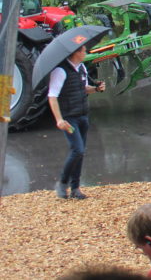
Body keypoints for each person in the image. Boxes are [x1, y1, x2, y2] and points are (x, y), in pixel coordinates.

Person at [49, 44, 105, 199]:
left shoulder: (82, 68)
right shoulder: (60, 71)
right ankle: (62, 182)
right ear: (76, 53)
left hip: (82, 116)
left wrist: (96, 89)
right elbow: (52, 96)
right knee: (77, 150)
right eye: (83, 50)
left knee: (80, 153)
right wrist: (59, 119)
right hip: (69, 119)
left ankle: (75, 188)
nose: (85, 52)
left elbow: (83, 88)